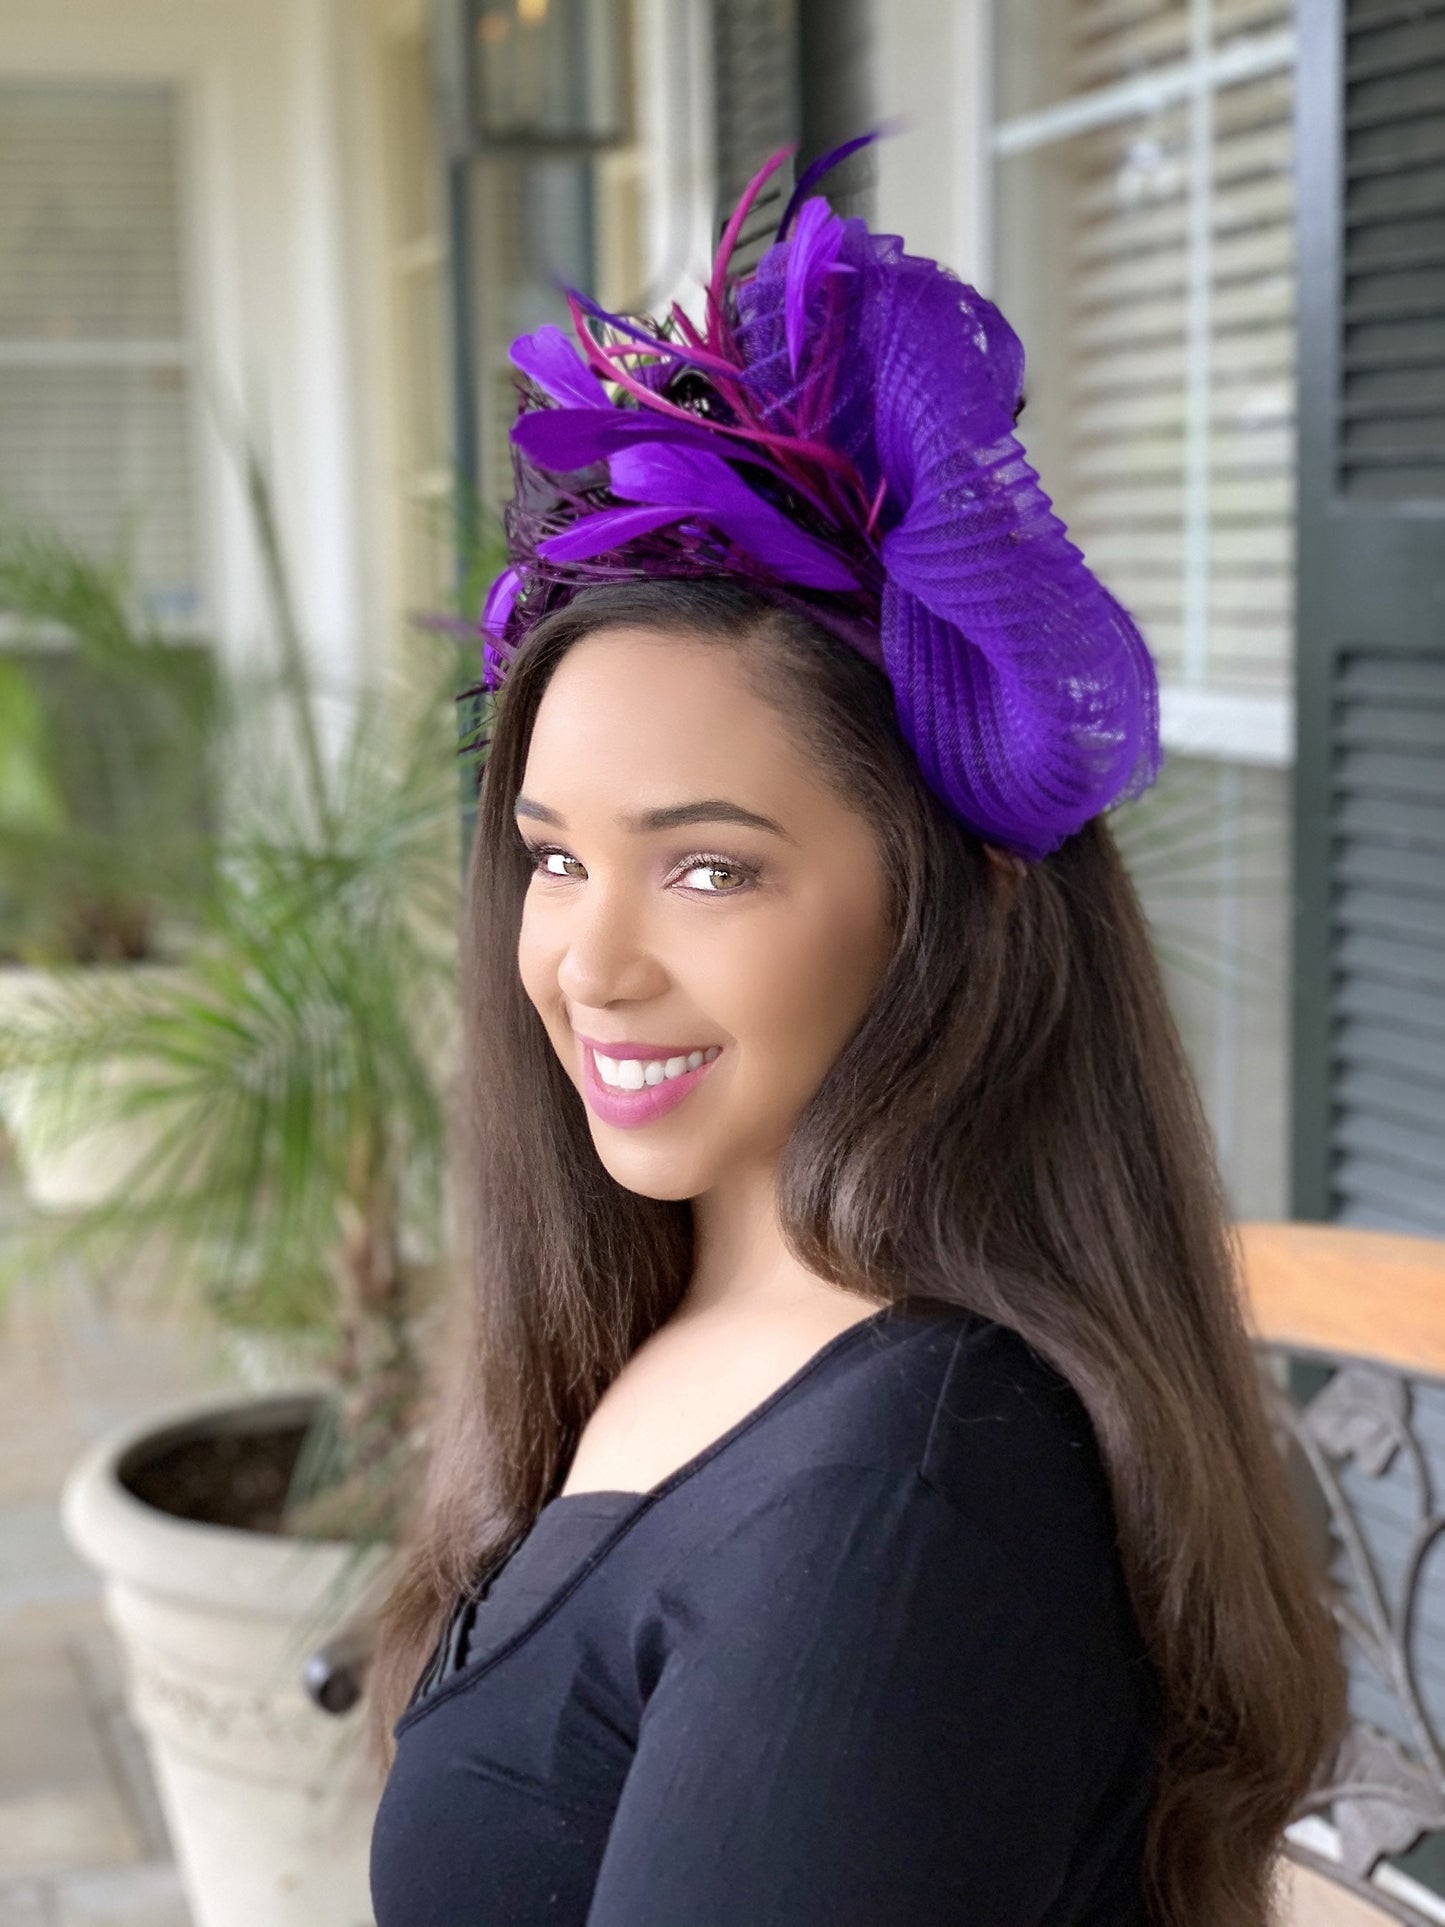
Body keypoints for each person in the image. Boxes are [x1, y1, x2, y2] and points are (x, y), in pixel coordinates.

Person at [366, 143, 1347, 1926]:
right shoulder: (674, 1301)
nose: (589, 961)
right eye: (554, 859)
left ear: (953, 898)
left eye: (712, 871)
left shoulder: (901, 1517)